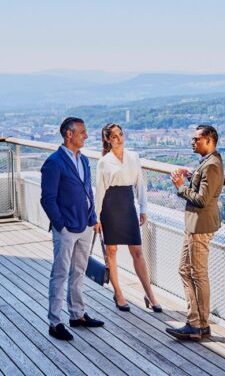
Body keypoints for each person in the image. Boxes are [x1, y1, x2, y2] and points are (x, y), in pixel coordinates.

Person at [40, 117, 104, 341]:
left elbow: (88, 192)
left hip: (85, 225)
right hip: (67, 228)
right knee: (59, 274)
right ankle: (55, 322)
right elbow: (47, 199)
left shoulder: (84, 160)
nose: (86, 136)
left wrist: (93, 218)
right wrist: (61, 225)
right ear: (69, 134)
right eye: (82, 132)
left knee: (78, 272)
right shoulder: (54, 162)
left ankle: (77, 315)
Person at [95, 123, 162, 313]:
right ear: (107, 139)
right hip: (109, 206)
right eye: (114, 136)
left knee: (137, 251)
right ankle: (118, 293)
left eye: (121, 134)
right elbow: (99, 191)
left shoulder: (134, 157)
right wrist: (97, 216)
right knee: (112, 252)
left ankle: (150, 294)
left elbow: (140, 184)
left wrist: (143, 208)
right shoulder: (104, 162)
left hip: (127, 205)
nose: (119, 138)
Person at [166, 125, 224, 341]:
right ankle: (196, 321)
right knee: (185, 269)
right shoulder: (207, 164)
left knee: (198, 274)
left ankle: (198, 325)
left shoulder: (212, 166)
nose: (193, 142)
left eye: (197, 139)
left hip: (200, 227)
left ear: (209, 140)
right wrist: (192, 176)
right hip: (195, 226)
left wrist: (181, 186)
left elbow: (202, 200)